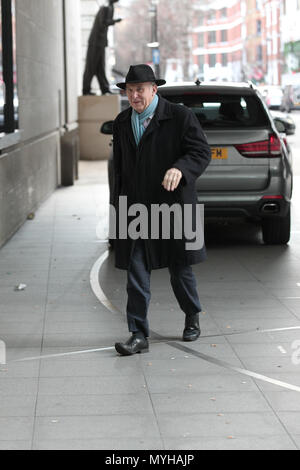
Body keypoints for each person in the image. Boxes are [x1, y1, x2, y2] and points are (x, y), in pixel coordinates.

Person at [112, 64, 211, 356]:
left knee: (179, 269)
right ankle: (138, 334)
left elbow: (200, 152)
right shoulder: (121, 122)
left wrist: (180, 169)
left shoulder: (180, 117)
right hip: (137, 210)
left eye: (139, 89)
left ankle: (191, 315)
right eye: (130, 90)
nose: (134, 96)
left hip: (173, 206)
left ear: (154, 89)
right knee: (136, 271)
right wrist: (117, 210)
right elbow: (120, 171)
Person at [82, 0, 122, 96]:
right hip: (95, 42)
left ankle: (104, 88)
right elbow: (102, 22)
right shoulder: (106, 7)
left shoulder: (109, 7)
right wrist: (115, 21)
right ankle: (86, 89)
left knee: (100, 67)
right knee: (91, 67)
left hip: (100, 42)